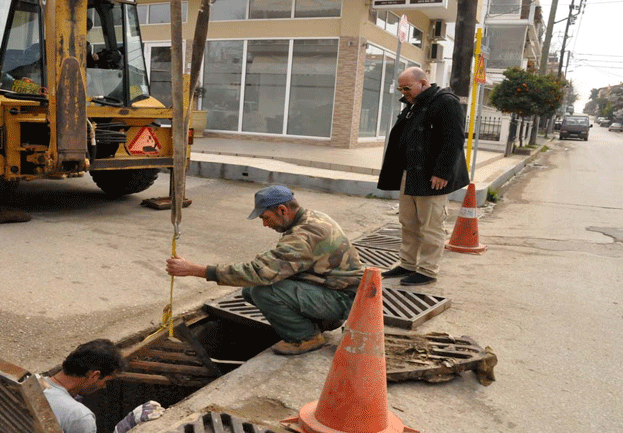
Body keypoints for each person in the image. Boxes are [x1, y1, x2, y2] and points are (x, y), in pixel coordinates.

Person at [166, 185, 364, 356]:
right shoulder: (312, 217)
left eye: (266, 217)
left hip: (345, 299)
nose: (264, 224)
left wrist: (196, 270)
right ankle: (323, 322)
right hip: (335, 290)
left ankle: (307, 337)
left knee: (263, 291)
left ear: (282, 210)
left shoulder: (304, 236)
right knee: (250, 290)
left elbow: (260, 272)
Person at [377, 67, 469, 286]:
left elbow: (453, 140)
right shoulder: (414, 104)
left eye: (407, 88)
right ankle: (407, 263)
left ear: (423, 83)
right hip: (410, 173)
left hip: (432, 177)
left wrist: (442, 173)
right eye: (401, 88)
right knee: (408, 222)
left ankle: (427, 270)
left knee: (430, 225)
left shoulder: (445, 102)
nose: (404, 92)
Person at [41, 339, 164, 433]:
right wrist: (124, 427)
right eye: (105, 381)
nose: (104, 386)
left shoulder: (32, 383)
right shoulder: (79, 416)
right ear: (94, 375)